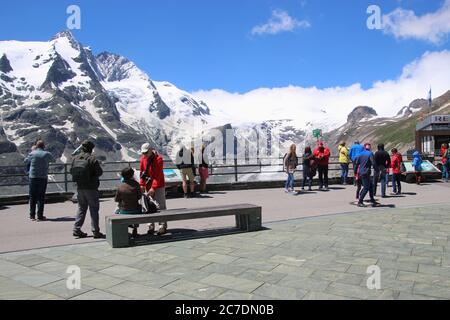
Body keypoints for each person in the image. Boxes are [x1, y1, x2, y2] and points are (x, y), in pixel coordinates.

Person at [71, 140, 104, 239]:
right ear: (91, 149)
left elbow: (71, 171)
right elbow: (99, 172)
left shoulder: (75, 158)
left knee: (81, 208)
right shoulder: (92, 159)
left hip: (80, 187)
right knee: (94, 209)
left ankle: (77, 229)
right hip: (91, 187)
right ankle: (95, 231)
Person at [24, 140, 55, 221]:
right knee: (41, 197)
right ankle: (40, 216)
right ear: (43, 146)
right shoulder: (46, 154)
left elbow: (26, 161)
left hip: (33, 177)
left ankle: (32, 215)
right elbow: (53, 160)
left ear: (37, 146)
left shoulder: (32, 153)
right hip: (42, 177)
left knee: (32, 196)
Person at [140, 143, 167, 235]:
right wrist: (142, 184)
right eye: (143, 153)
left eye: (146, 152)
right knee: (148, 206)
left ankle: (162, 226)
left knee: (160, 205)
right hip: (148, 185)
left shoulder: (158, 159)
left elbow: (158, 175)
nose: (144, 154)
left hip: (158, 185)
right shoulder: (143, 159)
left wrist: (153, 188)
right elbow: (142, 173)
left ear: (151, 150)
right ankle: (150, 226)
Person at [115, 167, 143, 238]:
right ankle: (135, 230)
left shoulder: (120, 186)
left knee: (117, 209)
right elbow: (139, 197)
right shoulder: (136, 184)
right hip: (135, 210)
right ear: (132, 175)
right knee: (137, 207)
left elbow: (116, 199)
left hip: (124, 211)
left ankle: (125, 230)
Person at [355, 143, 379, 207]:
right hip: (366, 172)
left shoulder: (360, 154)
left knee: (371, 185)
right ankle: (360, 201)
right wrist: (377, 170)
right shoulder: (370, 154)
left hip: (361, 172)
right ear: (370, 148)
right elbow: (373, 163)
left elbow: (356, 164)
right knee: (366, 187)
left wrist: (355, 172)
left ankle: (372, 199)